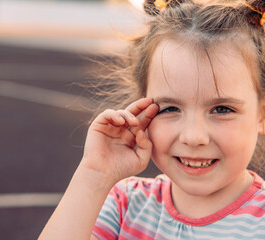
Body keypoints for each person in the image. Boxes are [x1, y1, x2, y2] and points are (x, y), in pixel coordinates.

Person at [39, 0, 265, 239]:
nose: (193, 137)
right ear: (142, 109)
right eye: (169, 109)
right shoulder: (124, 206)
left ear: (261, 115)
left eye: (221, 109)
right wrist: (94, 175)